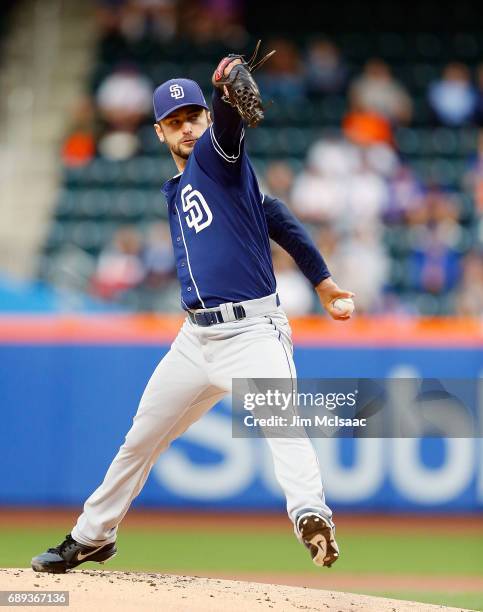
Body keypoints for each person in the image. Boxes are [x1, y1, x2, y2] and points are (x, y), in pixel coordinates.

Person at [31, 53, 354, 574]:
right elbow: (278, 216)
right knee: (140, 439)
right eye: (174, 122)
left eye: (194, 117)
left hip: (252, 332)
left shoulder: (215, 157)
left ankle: (311, 514)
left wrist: (226, 91)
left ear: (206, 121)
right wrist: (323, 279)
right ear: (159, 133)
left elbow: (229, 129)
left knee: (282, 425)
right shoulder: (191, 188)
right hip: (194, 340)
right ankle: (92, 536)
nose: (186, 128)